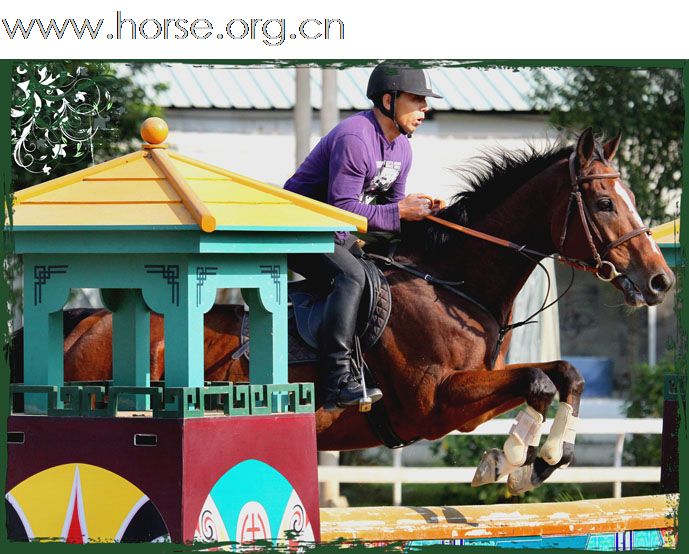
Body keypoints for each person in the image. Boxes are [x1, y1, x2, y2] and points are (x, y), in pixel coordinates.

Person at [284, 62, 443, 411]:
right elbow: (342, 208)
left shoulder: (402, 148)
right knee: (351, 276)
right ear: (388, 100)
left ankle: (368, 366)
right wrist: (401, 212)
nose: (424, 109)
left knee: (391, 271)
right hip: (301, 230)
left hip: (339, 233)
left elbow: (390, 211)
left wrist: (428, 216)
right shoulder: (355, 138)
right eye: (417, 100)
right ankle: (337, 380)